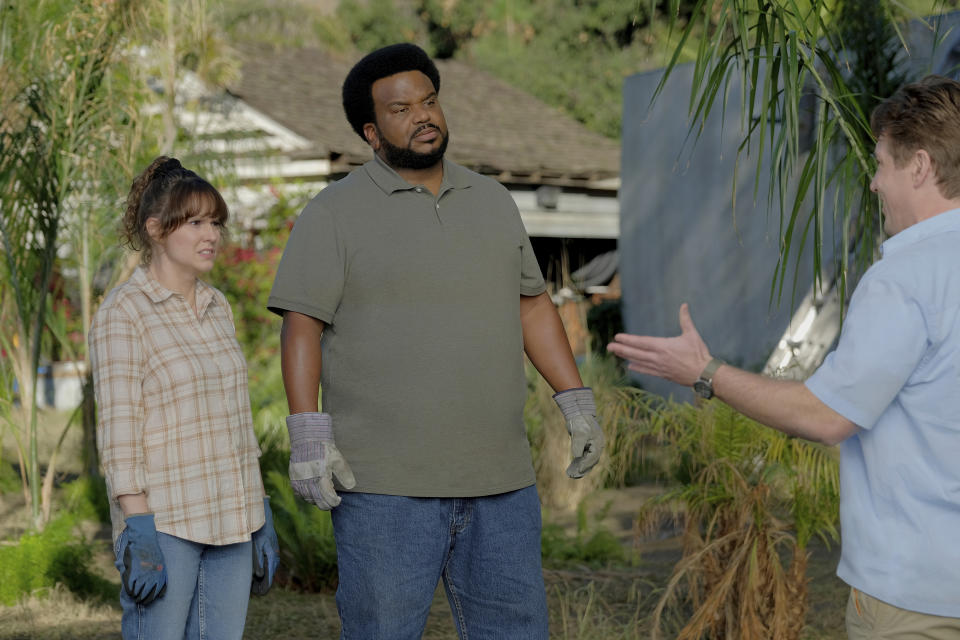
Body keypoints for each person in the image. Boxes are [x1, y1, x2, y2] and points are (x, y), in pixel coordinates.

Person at [267, 43, 605, 639]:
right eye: (401, 109)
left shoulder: (494, 202)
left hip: (501, 483)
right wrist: (308, 434)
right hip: (383, 492)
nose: (423, 116)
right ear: (372, 132)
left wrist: (575, 402)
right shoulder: (334, 213)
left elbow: (531, 305)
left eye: (429, 101)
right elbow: (303, 324)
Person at [607, 75, 960, 640]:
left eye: (882, 164)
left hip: (916, 595)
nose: (873, 184)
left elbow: (827, 417)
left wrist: (705, 373)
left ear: (919, 167)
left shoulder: (905, 276)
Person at [90, 156, 279, 640]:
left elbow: (238, 422)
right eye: (195, 222)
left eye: (215, 222)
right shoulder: (123, 312)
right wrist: (139, 529)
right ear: (155, 229)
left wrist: (259, 510)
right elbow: (119, 432)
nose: (210, 234)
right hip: (166, 525)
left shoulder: (219, 308)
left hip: (233, 521)